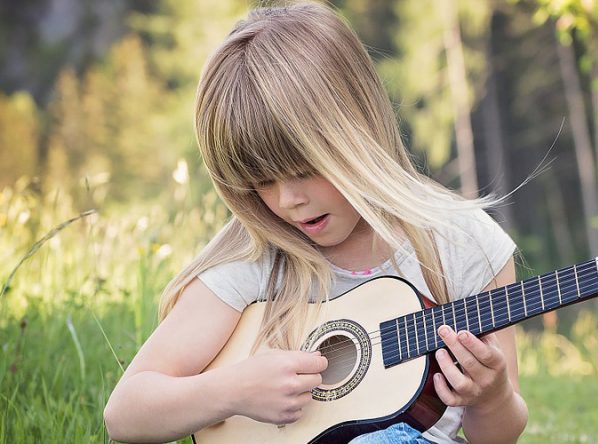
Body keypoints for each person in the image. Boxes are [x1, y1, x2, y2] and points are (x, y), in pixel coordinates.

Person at [103, 2, 528, 443]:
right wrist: (232, 391)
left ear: (358, 128)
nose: (289, 201)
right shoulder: (254, 258)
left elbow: (497, 437)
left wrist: (491, 398)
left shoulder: (463, 244)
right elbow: (125, 414)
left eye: (304, 169)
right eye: (262, 181)